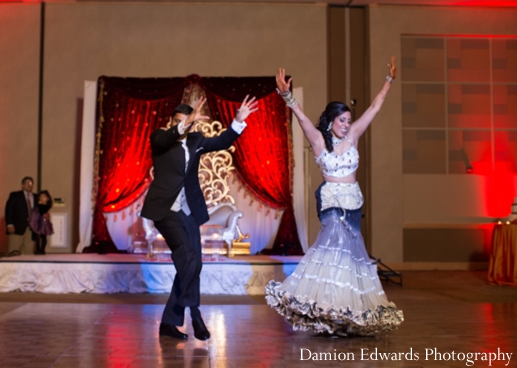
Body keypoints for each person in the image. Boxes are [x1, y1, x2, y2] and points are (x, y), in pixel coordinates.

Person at [265, 58, 404, 336]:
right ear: (331, 121)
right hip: (330, 202)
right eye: (342, 120)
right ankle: (326, 307)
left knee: (350, 255)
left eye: (349, 120)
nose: (346, 124)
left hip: (352, 201)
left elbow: (374, 108)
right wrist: (286, 95)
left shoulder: (353, 136)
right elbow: (301, 117)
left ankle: (342, 314)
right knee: (335, 245)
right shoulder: (318, 140)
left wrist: (389, 81)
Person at [141, 95, 258, 340]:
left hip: (189, 212)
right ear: (172, 122)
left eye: (186, 122)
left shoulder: (196, 141)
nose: (181, 126)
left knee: (193, 265)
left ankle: (169, 322)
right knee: (188, 258)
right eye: (177, 121)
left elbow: (223, 141)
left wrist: (238, 121)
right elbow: (166, 137)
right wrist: (182, 125)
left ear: (193, 126)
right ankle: (195, 316)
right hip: (166, 211)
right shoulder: (160, 139)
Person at [5, 177, 37, 255]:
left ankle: (26, 267)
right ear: (22, 185)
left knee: (28, 252)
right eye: (27, 183)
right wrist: (10, 224)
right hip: (16, 228)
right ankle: (12, 267)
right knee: (14, 251)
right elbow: (9, 210)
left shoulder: (36, 197)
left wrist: (46, 213)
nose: (29, 185)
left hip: (31, 229)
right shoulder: (15, 195)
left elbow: (41, 209)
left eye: (31, 183)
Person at [30, 190, 54, 255]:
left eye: (44, 196)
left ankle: (42, 250)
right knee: (37, 236)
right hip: (37, 221)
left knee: (43, 236)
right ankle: (38, 249)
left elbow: (42, 211)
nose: (42, 198)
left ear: (47, 198)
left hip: (43, 222)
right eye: (40, 196)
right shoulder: (38, 204)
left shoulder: (45, 205)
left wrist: (40, 204)